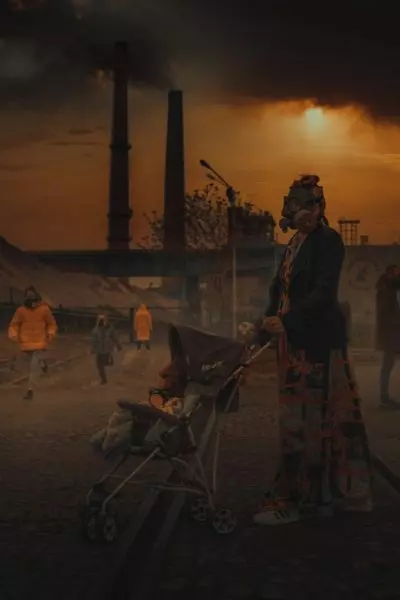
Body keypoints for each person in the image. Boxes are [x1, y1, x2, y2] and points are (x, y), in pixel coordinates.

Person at [249, 174, 372, 526]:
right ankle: (305, 495)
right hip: (292, 342)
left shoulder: (328, 241)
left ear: (319, 208)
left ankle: (308, 500)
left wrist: (286, 320)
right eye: (294, 205)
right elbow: (279, 292)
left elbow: (323, 292)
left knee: (313, 422)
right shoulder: (293, 244)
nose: (298, 212)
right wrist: (262, 325)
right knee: (297, 420)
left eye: (305, 205)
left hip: (317, 344)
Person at [8, 286, 57, 400]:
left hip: (39, 343)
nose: (30, 297)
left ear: (36, 295)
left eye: (32, 295)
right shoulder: (21, 311)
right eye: (28, 295)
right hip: (25, 344)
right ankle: (42, 365)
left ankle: (30, 390)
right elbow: (14, 324)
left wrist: (50, 333)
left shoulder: (44, 309)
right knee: (27, 367)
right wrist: (13, 333)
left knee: (33, 368)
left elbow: (51, 324)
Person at [375, 264, 400, 407]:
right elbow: (386, 314)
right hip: (390, 334)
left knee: (388, 365)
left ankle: (384, 396)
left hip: (390, 333)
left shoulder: (386, 288)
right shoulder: (386, 290)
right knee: (387, 365)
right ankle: (384, 396)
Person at [91, 314, 121, 385]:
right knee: (99, 365)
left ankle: (105, 377)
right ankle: (103, 379)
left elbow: (115, 337)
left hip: (107, 350)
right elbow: (94, 341)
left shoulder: (109, 329)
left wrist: (118, 345)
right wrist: (93, 349)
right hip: (100, 350)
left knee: (104, 364)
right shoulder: (96, 330)